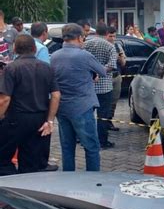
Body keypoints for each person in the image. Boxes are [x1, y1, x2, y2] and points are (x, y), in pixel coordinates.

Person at [0, 35, 60, 176]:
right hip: (39, 120)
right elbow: (56, 95)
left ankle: (9, 190)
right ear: (34, 49)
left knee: (3, 160)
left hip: (15, 120)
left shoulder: (11, 69)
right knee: (33, 163)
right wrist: (50, 120)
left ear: (14, 48)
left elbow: (4, 99)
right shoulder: (47, 68)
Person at [51, 24, 106, 171]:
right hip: (82, 106)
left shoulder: (54, 57)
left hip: (62, 108)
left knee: (67, 148)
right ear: (80, 37)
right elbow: (103, 71)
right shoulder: (84, 55)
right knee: (91, 147)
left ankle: (69, 179)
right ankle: (92, 180)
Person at [84, 23, 118, 149]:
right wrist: (99, 70)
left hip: (89, 86)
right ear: (106, 33)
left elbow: (82, 62)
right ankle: (102, 142)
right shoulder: (110, 46)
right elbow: (112, 65)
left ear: (96, 31)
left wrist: (92, 72)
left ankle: (85, 140)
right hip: (105, 87)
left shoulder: (85, 44)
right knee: (103, 116)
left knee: (87, 115)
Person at [30, 22, 58, 172]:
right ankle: (42, 162)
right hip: (41, 95)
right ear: (45, 33)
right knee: (44, 128)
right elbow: (45, 73)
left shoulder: (25, 46)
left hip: (26, 94)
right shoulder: (41, 49)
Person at [106, 26, 126, 132]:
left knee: (114, 101)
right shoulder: (103, 46)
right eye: (110, 36)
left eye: (114, 36)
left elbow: (123, 63)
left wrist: (120, 58)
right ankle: (102, 121)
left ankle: (109, 120)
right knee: (104, 101)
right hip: (106, 77)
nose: (112, 38)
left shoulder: (118, 46)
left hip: (116, 76)